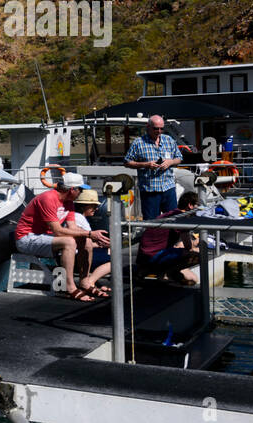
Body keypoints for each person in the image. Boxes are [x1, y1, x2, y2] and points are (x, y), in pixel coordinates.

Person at [15, 172, 110, 300]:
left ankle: (85, 282)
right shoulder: (48, 198)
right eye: (80, 190)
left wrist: (94, 238)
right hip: (27, 238)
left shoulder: (69, 202)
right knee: (69, 242)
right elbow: (57, 230)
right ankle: (70, 287)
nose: (81, 193)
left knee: (86, 241)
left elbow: (72, 227)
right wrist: (89, 233)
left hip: (44, 237)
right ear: (72, 190)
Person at [124, 115, 181, 221]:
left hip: (168, 188)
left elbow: (179, 158)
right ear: (148, 127)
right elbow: (127, 162)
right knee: (151, 224)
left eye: (161, 128)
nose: (159, 131)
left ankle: (173, 238)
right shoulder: (138, 143)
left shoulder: (169, 140)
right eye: (156, 128)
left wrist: (170, 162)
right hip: (150, 190)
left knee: (174, 221)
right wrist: (146, 165)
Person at [136, 191, 201, 283]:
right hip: (153, 256)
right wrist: (195, 245)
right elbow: (188, 246)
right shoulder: (182, 218)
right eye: (198, 206)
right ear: (190, 205)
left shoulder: (171, 214)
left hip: (144, 256)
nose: (199, 209)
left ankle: (148, 270)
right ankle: (169, 272)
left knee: (181, 249)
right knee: (199, 255)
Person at [69, 189, 112, 296]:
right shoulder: (80, 219)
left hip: (75, 253)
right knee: (114, 261)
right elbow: (80, 243)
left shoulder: (76, 217)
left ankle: (91, 281)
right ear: (84, 206)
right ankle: (90, 282)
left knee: (109, 251)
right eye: (93, 206)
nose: (96, 208)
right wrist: (100, 244)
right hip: (77, 255)